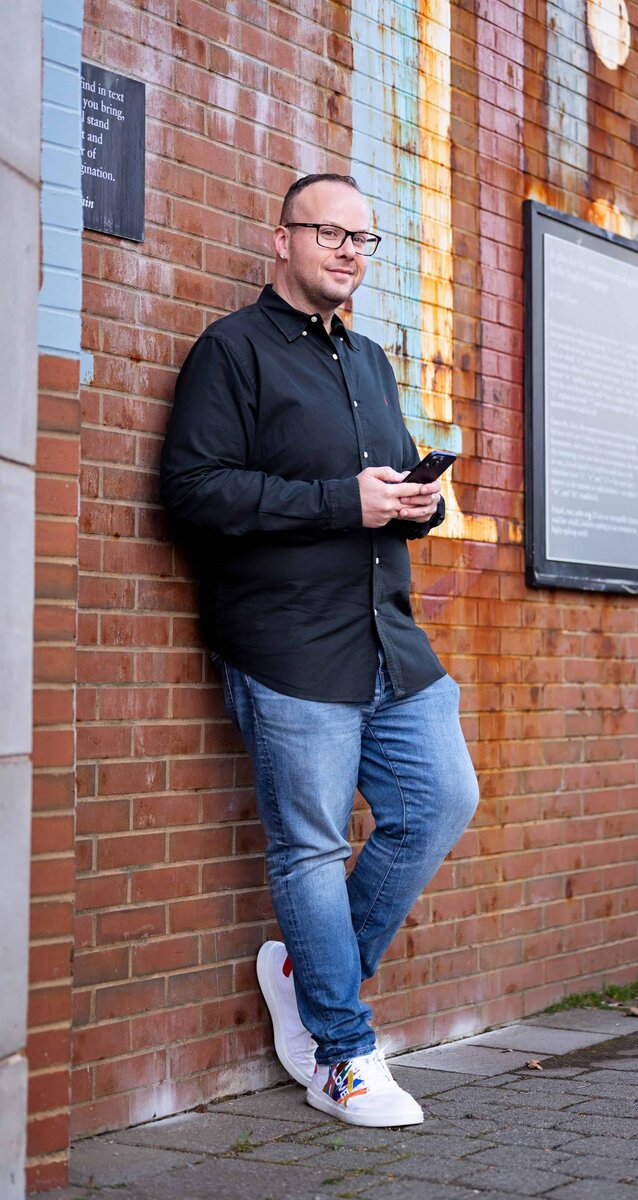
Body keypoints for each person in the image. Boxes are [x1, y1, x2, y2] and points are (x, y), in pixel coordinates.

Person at [160, 173, 479, 1128]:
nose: (349, 252)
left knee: (440, 801)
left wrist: (414, 504)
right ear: (283, 240)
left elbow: (379, 495)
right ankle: (342, 1055)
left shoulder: (370, 359)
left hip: (389, 640)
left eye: (363, 239)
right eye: (330, 233)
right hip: (290, 645)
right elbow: (195, 492)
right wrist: (346, 502)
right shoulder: (232, 351)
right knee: (311, 847)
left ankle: (306, 978)